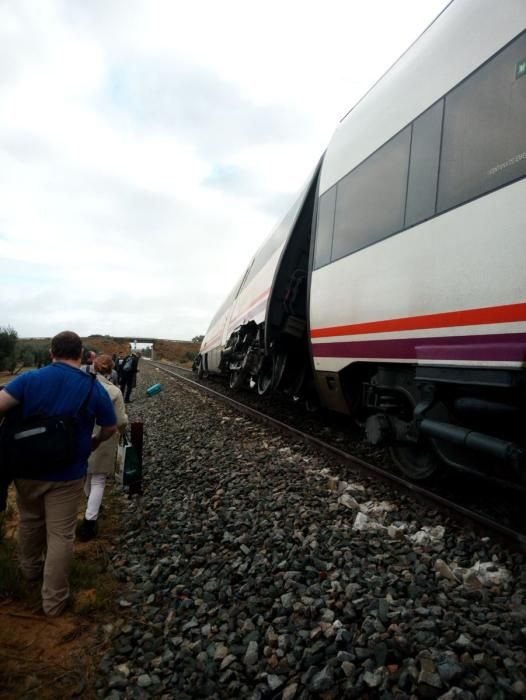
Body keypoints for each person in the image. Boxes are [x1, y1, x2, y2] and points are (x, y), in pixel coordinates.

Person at [0, 331, 117, 616]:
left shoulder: (29, 379)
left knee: (29, 520)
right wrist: (95, 442)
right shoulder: (92, 387)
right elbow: (110, 426)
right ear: (81, 355)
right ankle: (53, 602)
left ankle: (30, 574)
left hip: (25, 469)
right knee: (61, 535)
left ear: (51, 352)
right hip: (68, 472)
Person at [78, 355, 127, 541]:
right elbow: (120, 421)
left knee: (87, 474)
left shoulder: (82, 384)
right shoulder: (114, 391)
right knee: (98, 479)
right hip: (103, 438)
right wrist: (125, 427)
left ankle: (92, 504)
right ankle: (90, 521)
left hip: (81, 436)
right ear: (111, 371)